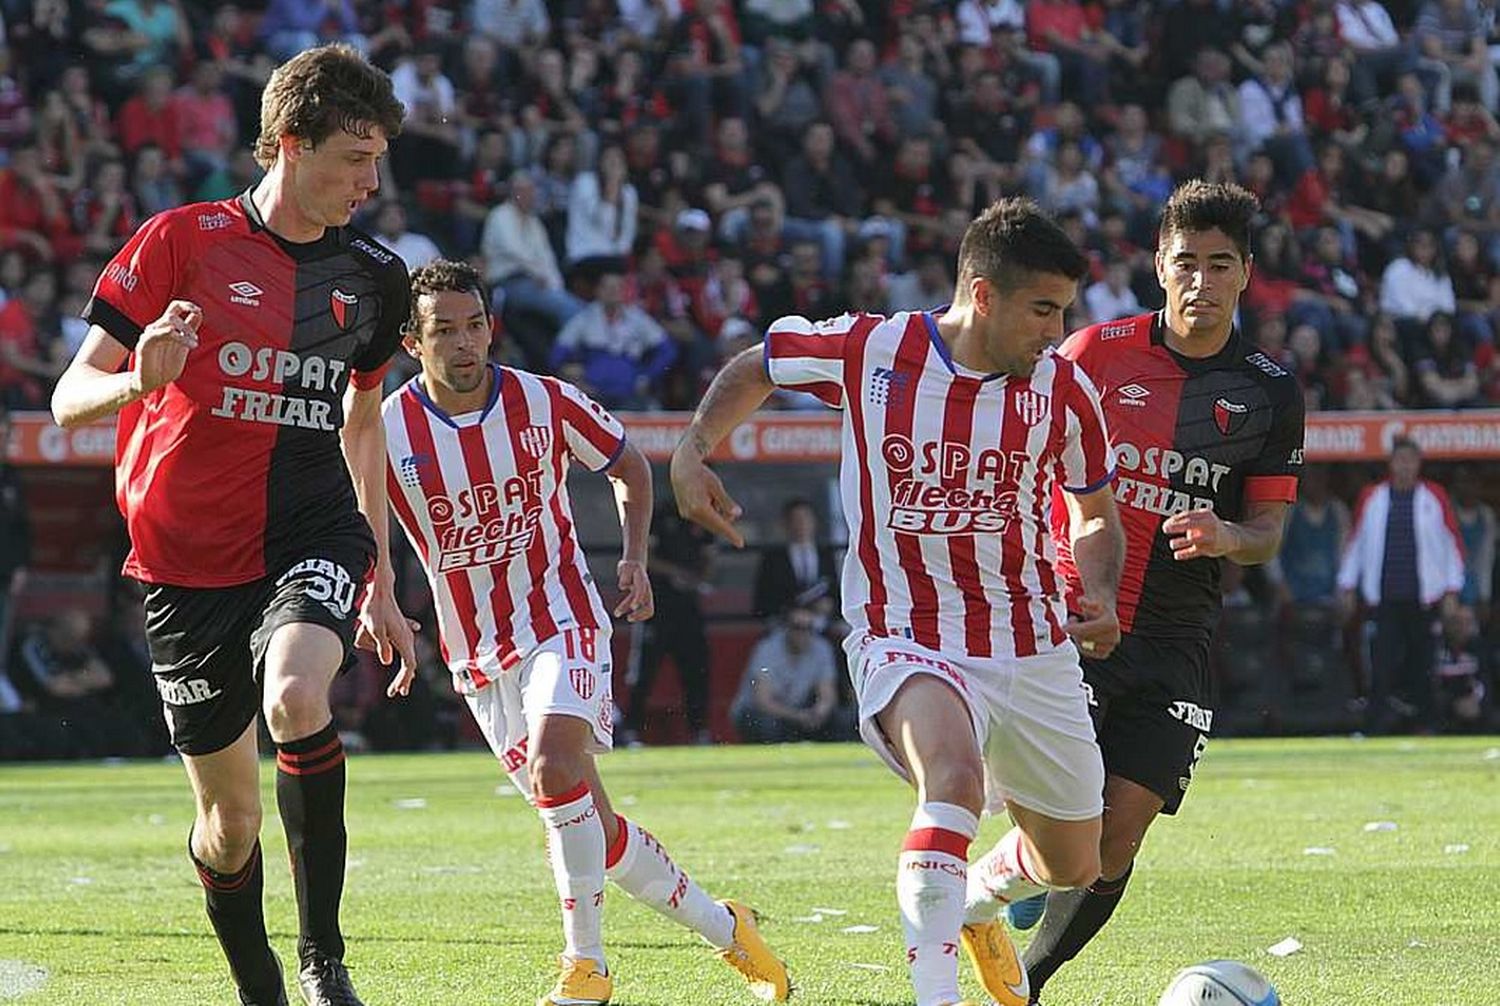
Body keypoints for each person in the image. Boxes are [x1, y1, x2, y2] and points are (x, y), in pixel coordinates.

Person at [672, 197, 1125, 1006]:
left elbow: (1093, 514)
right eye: (1043, 310)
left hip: (1030, 639)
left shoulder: (1063, 391)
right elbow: (758, 364)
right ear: (982, 295)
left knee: (1075, 864)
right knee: (948, 778)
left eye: (1063, 312)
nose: (1056, 332)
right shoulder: (873, 350)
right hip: (904, 632)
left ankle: (976, 901)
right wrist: (693, 451)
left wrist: (1093, 585)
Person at [50, 44, 416, 1006]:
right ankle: (260, 988)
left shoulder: (375, 277)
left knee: (299, 697)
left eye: (377, 161)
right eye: (352, 158)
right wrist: (142, 378)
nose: (368, 183)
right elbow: (66, 398)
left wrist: (376, 577)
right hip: (183, 560)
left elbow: (363, 419)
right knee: (230, 822)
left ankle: (325, 961)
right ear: (288, 145)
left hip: (312, 528)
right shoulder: (181, 241)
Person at [381, 259, 790, 1005]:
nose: (465, 343)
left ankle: (586, 967)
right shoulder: (386, 431)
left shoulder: (542, 400)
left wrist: (633, 557)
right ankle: (728, 929)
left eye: (474, 325)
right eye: (444, 330)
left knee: (551, 765)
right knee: (589, 827)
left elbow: (630, 464)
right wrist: (377, 598)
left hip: (560, 617)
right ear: (414, 342)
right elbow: (358, 528)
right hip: (475, 649)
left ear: (490, 327)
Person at [983, 181, 1307, 1005]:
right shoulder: (1091, 354)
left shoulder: (1270, 392)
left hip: (1179, 638)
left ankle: (1024, 981)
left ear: (1246, 274)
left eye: (1220, 265)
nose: (1201, 281)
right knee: (1069, 831)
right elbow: (1020, 459)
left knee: (1116, 842)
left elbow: (1269, 531)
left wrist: (1230, 535)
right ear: (1160, 266)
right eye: (1186, 262)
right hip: (1075, 621)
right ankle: (1014, 897)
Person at [1337, 437, 1465, 733]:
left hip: (1424, 597)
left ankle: (1429, 724)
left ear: (1419, 464)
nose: (1405, 466)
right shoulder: (1373, 497)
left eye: (1411, 460)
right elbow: (1356, 543)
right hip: (1384, 597)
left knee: (1424, 664)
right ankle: (1377, 725)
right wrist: (1346, 585)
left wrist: (1452, 590)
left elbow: (1452, 545)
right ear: (1391, 463)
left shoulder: (1435, 496)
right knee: (1381, 665)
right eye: (1400, 460)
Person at [620, 502, 716, 746]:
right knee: (644, 670)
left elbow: (708, 557)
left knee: (696, 669)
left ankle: (699, 731)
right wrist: (675, 572)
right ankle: (631, 730)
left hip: (689, 607)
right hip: (657, 605)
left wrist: (698, 577)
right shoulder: (662, 515)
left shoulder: (705, 517)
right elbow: (644, 556)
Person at [731, 601, 846, 742]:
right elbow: (763, 701)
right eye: (797, 627)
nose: (803, 633)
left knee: (841, 719)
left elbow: (827, 695)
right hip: (759, 713)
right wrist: (798, 716)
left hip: (799, 711)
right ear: (787, 628)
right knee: (767, 724)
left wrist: (819, 712)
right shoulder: (767, 649)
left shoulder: (822, 649)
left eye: (808, 628)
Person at [750, 497, 839, 620]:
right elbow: (762, 602)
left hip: (822, 626)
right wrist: (788, 613)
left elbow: (834, 590)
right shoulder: (773, 558)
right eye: (796, 519)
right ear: (786, 523)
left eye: (806, 518)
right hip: (784, 628)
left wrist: (829, 606)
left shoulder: (826, 554)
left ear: (814, 521)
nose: (802, 524)